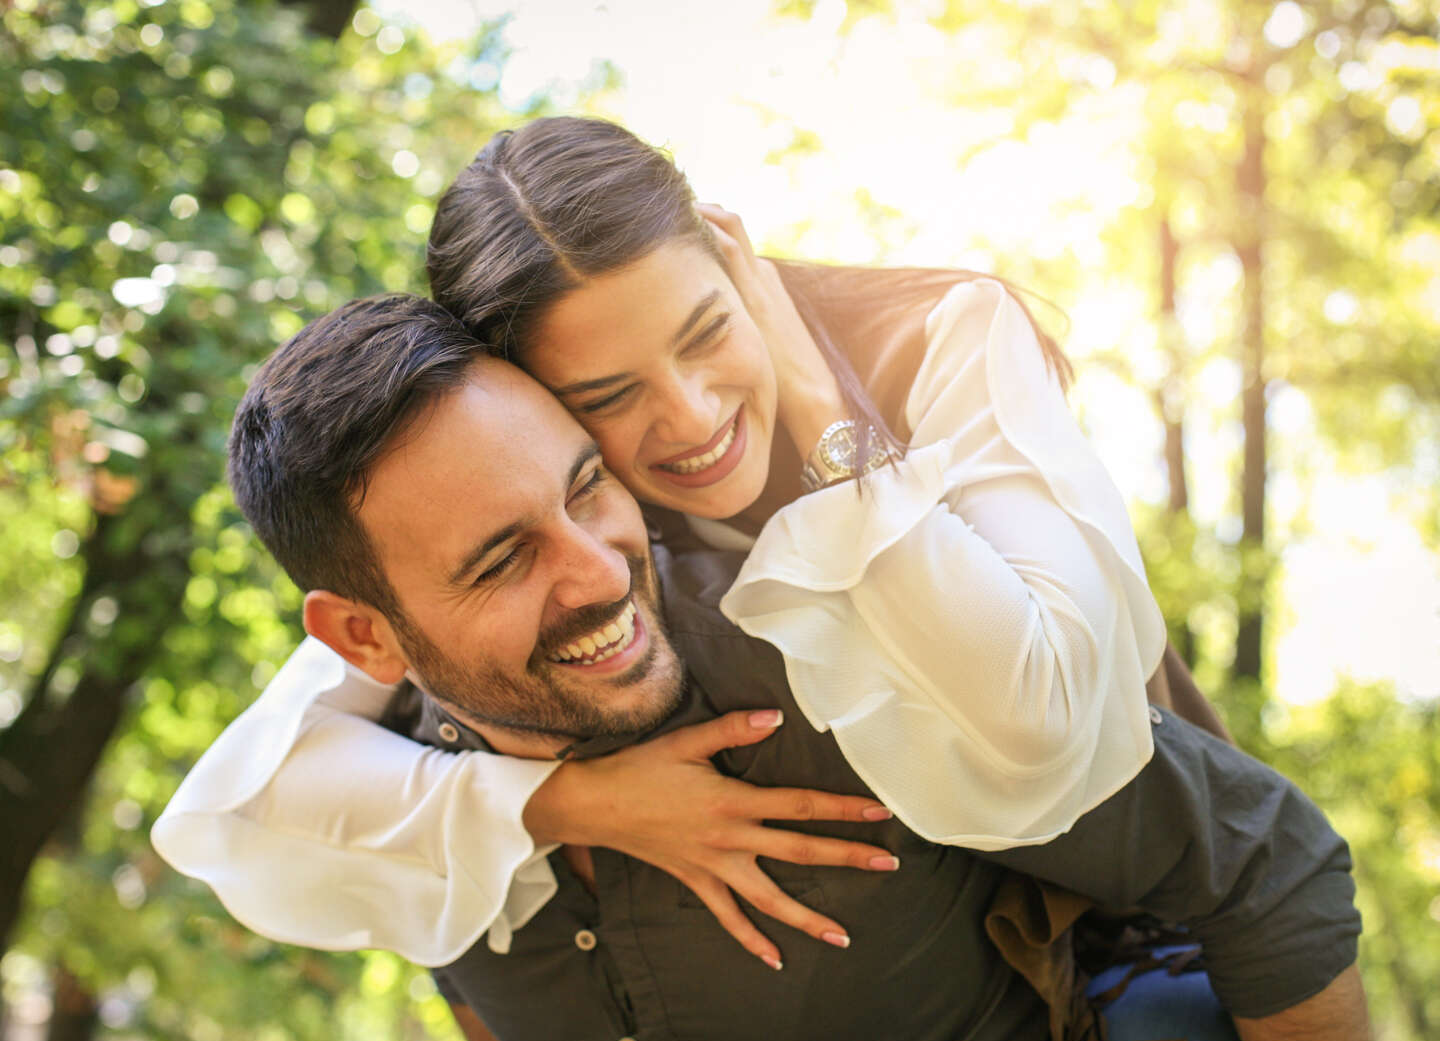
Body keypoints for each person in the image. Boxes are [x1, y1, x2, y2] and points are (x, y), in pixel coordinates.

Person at [163, 293, 1369, 1041]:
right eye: (500, 558)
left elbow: (1265, 862)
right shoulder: (375, 813)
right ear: (366, 639)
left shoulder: (839, 654)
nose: (600, 571)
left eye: (587, 487)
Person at [156, 116, 1208, 971]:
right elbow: (241, 796)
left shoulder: (938, 340)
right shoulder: (564, 513)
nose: (694, 418)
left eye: (708, 332)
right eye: (606, 396)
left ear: (734, 264)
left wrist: (815, 403)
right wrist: (575, 804)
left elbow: (1039, 717)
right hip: (1009, 962)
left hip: (1188, 912)